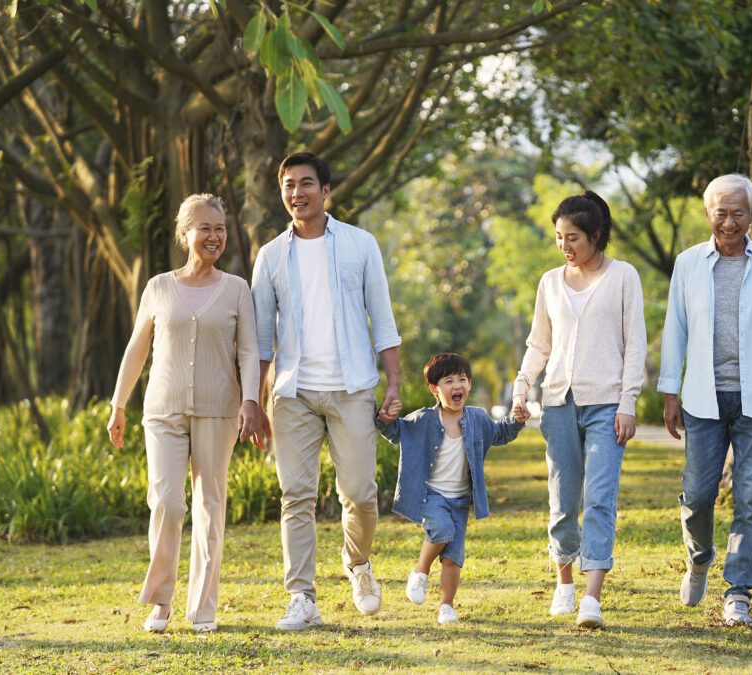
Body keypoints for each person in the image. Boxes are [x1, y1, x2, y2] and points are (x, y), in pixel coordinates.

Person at [251, 151, 402, 631]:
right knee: (295, 496)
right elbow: (258, 337)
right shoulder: (270, 255)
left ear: (326, 190)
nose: (297, 193)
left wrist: (394, 381)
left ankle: (358, 563)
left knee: (360, 493)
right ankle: (301, 597)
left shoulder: (360, 244)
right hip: (293, 392)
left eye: (306, 184)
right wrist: (253, 400)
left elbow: (382, 316)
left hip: (351, 386)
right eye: (289, 185)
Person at [107, 194, 266, 634]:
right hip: (162, 410)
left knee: (211, 507)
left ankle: (203, 607)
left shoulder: (236, 288)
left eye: (219, 229)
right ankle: (160, 600)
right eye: (204, 228)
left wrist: (251, 402)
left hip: (219, 410)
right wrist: (118, 404)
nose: (213, 236)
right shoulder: (159, 286)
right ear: (184, 234)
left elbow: (250, 352)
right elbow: (137, 349)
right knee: (167, 502)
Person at [657, 173, 752, 627]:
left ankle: (738, 590)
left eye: (737, 212)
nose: (728, 221)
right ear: (708, 214)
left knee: (749, 499)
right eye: (720, 212)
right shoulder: (687, 264)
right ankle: (699, 559)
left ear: (751, 215)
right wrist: (669, 391)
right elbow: (676, 329)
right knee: (699, 495)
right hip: (702, 398)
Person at [512, 191, 647, 629]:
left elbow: (635, 346)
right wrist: (521, 387)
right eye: (558, 237)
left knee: (600, 498)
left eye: (573, 237)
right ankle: (564, 583)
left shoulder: (624, 276)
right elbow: (540, 344)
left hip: (607, 404)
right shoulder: (550, 282)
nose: (565, 246)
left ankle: (592, 597)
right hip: (558, 403)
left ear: (597, 235)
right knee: (564, 499)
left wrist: (628, 402)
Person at [376, 353, 526, 624]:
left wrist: (517, 421)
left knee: (453, 558)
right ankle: (420, 571)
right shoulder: (424, 419)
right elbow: (396, 432)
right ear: (435, 389)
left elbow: (500, 433)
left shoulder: (478, 419)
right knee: (442, 529)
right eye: (449, 380)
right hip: (430, 495)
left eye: (463, 379)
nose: (458, 385)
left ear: (469, 385)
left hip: (460, 500)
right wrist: (386, 418)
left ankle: (446, 605)